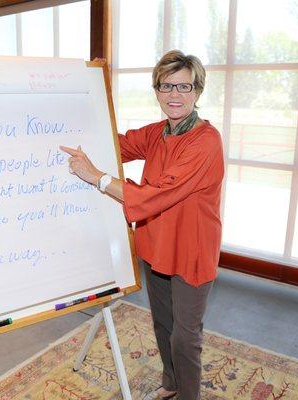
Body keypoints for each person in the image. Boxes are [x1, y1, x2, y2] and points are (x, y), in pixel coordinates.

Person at [60, 50, 224, 400]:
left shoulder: (206, 142)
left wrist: (98, 178)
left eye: (184, 86)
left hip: (191, 251)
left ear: (198, 91)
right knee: (162, 323)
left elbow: (154, 196)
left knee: (186, 336)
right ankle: (172, 383)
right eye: (166, 86)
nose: (174, 95)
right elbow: (116, 144)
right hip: (155, 245)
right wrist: (71, 130)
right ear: (157, 90)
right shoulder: (157, 133)